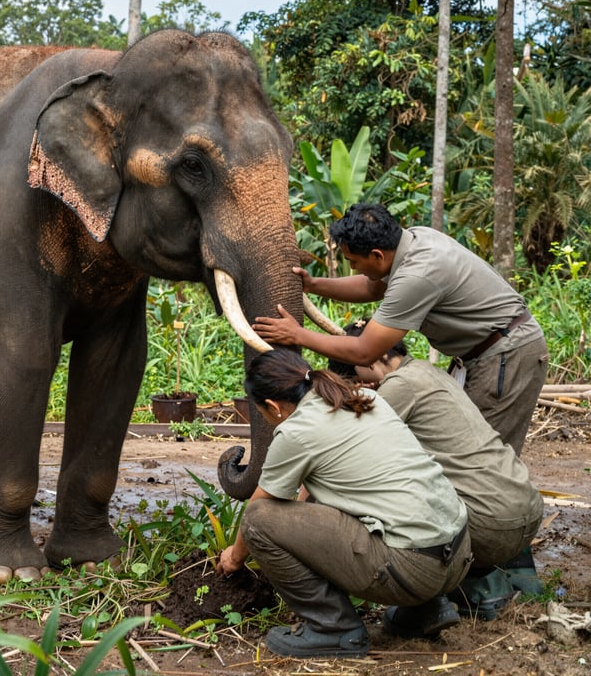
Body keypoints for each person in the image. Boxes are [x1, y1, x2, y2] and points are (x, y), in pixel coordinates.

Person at [215, 349, 472, 658]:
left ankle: (333, 629)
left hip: (412, 571)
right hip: (458, 554)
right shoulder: (362, 397)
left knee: (258, 518)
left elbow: (259, 509)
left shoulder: (297, 431)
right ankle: (426, 609)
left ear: (272, 406)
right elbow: (318, 496)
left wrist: (233, 558)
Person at [252, 203, 549, 457]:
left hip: (506, 357)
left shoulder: (418, 274)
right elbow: (372, 287)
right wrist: (314, 285)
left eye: (355, 262)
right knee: (461, 446)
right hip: (484, 353)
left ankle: (495, 522)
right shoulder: (414, 240)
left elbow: (366, 350)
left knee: (479, 455)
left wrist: (298, 336)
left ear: (378, 255)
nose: (354, 268)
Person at [330, 319, 544, 628]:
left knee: (374, 487)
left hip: (491, 528)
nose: (355, 385)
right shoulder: (427, 372)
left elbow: (348, 451)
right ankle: (500, 579)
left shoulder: (398, 387)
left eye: (351, 376)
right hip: (526, 512)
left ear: (371, 357)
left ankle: (427, 600)